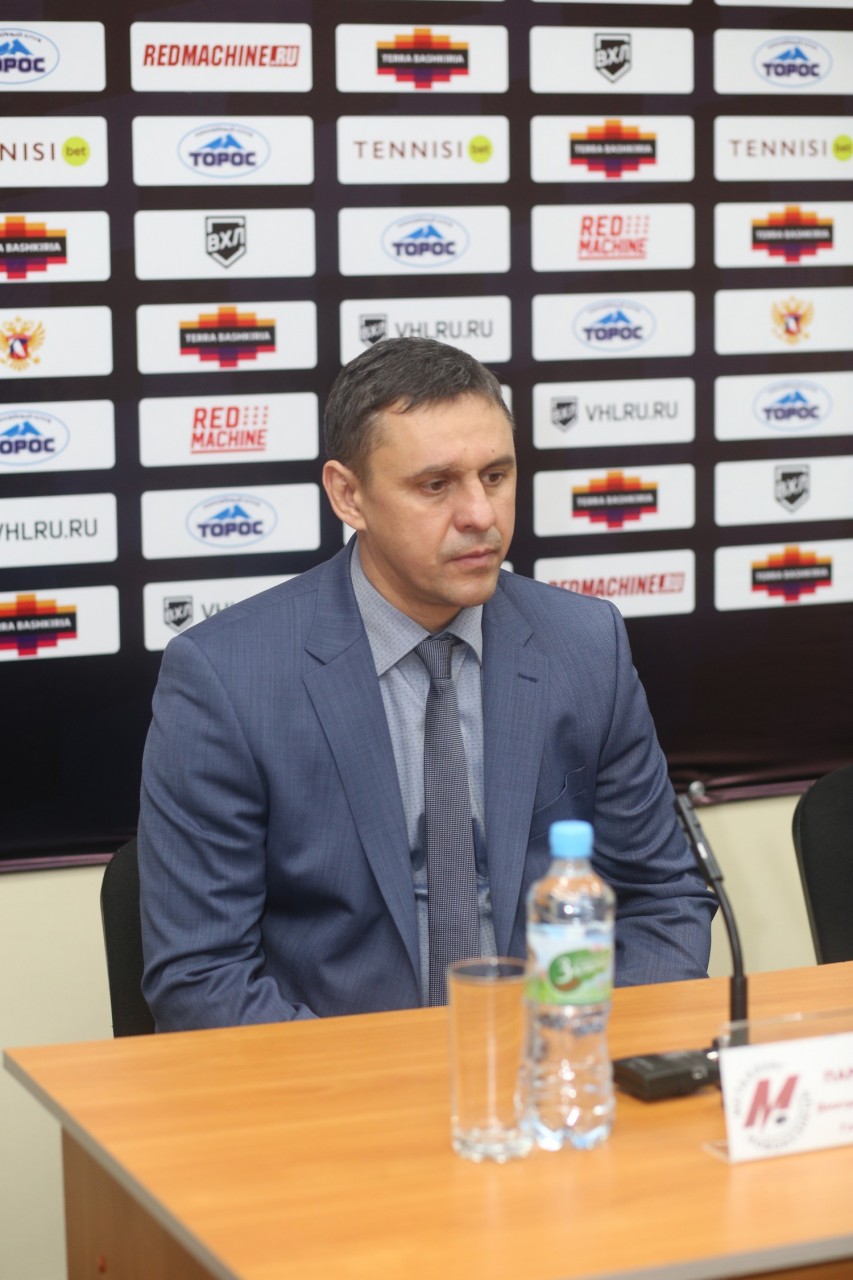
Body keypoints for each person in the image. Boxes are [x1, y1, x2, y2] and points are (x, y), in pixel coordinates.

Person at [138, 337, 715, 1031]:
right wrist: (381, 1084)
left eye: (495, 476)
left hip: (554, 1056)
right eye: (435, 485)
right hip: (346, 1074)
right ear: (348, 495)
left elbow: (661, 899)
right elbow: (201, 976)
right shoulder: (228, 678)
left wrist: (577, 1051)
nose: (480, 515)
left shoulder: (585, 645)